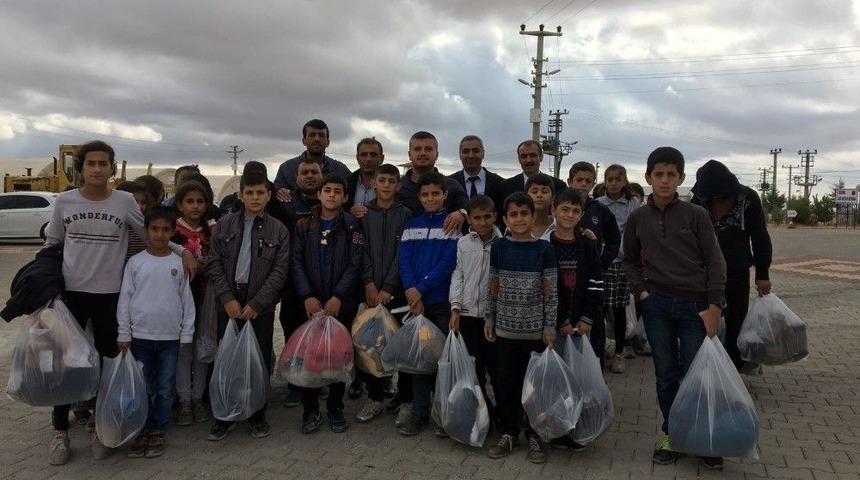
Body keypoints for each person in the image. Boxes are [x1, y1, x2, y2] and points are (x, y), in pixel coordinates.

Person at [43, 141, 196, 465]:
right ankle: (60, 431)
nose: (97, 169)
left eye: (103, 163)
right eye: (91, 163)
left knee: (107, 366)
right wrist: (44, 284)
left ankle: (102, 427)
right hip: (71, 296)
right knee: (67, 364)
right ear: (80, 168)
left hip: (109, 296)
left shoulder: (124, 201)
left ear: (112, 168)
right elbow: (52, 242)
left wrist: (183, 252)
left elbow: (151, 234)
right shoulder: (65, 202)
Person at [622, 147, 727, 469]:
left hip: (695, 307)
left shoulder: (696, 215)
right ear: (648, 177)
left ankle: (703, 438)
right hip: (657, 306)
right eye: (659, 174)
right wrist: (642, 292)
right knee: (665, 376)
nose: (665, 180)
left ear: (681, 178)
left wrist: (714, 304)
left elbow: (715, 260)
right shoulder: (638, 217)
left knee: (697, 375)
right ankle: (673, 434)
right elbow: (629, 260)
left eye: (671, 175)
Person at [206, 170, 290, 442]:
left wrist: (257, 303)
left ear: (268, 195)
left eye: (260, 192)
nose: (255, 197)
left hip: (259, 306)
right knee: (226, 357)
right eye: (249, 192)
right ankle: (224, 415)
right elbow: (214, 263)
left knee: (258, 360)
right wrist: (226, 298)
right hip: (229, 301)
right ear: (240, 195)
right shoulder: (224, 225)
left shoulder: (279, 230)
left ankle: (256, 413)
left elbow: (279, 271)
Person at [484, 192, 557, 464]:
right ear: (505, 219)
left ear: (532, 216)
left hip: (535, 332)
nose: (519, 219)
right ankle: (509, 432)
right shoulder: (499, 248)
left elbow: (550, 292)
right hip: (504, 331)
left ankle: (534, 435)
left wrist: (550, 325)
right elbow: (493, 285)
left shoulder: (544, 249)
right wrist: (489, 318)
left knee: (533, 388)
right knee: (505, 384)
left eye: (524, 213)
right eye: (513, 214)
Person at [117, 206, 196, 459]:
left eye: (165, 229)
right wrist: (124, 333)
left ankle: (158, 430)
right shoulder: (135, 262)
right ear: (146, 230)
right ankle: (141, 428)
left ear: (173, 232)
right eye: (154, 229)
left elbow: (187, 301)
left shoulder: (178, 263)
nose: (160, 234)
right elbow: (125, 299)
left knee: (164, 387)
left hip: (170, 338)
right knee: (143, 386)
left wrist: (186, 334)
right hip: (140, 337)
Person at [291, 174, 364, 434]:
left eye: (337, 191)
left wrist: (339, 296)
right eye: (327, 190)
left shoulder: (352, 226)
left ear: (345, 197)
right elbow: (296, 262)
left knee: (337, 355)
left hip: (340, 303)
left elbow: (356, 263)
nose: (332, 194)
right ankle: (310, 409)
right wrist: (307, 296)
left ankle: (335, 407)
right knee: (311, 356)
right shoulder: (304, 225)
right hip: (311, 303)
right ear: (319, 194)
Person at [690, 159, 772, 372]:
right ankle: (704, 369)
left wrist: (762, 274)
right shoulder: (699, 199)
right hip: (704, 273)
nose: (714, 199)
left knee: (736, 322)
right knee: (703, 321)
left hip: (736, 270)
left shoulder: (748, 199)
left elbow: (760, 237)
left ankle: (734, 371)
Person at [397, 172, 461, 436]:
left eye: (436, 194)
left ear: (445, 195)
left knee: (444, 361)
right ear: (419, 197)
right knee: (421, 361)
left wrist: (420, 289)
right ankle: (420, 411)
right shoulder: (412, 225)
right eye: (425, 195)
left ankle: (444, 412)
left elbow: (448, 264)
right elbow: (404, 259)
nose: (430, 198)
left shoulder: (452, 226)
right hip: (417, 305)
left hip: (440, 304)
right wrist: (411, 291)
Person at [547, 188, 605, 450]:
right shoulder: (546, 246)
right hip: (555, 326)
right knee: (557, 379)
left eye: (575, 211)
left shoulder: (588, 245)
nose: (569, 215)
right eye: (564, 209)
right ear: (554, 210)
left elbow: (596, 283)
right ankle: (557, 428)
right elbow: (547, 289)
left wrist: (588, 317)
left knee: (577, 378)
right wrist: (560, 320)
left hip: (581, 326)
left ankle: (576, 427)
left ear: (581, 214)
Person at [356, 163, 412, 423]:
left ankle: (406, 398)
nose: (386, 185)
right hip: (370, 293)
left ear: (398, 185)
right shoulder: (363, 214)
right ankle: (375, 397)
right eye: (382, 180)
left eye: (391, 181)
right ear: (374, 183)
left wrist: (389, 287)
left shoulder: (406, 214)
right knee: (371, 346)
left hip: (397, 293)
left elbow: (404, 254)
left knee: (403, 346)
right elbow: (360, 251)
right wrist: (368, 282)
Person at [448, 194, 501, 433]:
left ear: (495, 216)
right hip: (468, 314)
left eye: (487, 217)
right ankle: (481, 413)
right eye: (477, 218)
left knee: (497, 368)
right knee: (474, 368)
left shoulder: (503, 242)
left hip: (493, 318)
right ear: (469, 219)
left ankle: (503, 414)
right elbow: (458, 275)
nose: (482, 222)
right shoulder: (463, 243)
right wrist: (455, 307)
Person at [171, 180, 217, 426]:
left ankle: (198, 398)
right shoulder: (172, 231)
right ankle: (184, 400)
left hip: (206, 298)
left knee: (203, 348)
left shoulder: (213, 231)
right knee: (183, 350)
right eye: (190, 201)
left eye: (200, 201)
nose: (195, 206)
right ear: (180, 204)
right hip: (179, 299)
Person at [567, 161, 621, 366]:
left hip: (591, 278)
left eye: (588, 181)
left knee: (595, 323)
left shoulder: (599, 210)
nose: (583, 184)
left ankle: (595, 371)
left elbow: (614, 238)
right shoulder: (560, 205)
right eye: (579, 180)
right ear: (570, 181)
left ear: (593, 183)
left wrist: (602, 262)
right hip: (565, 276)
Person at [279, 158, 323, 409]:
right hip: (293, 283)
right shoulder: (284, 202)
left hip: (324, 282)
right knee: (293, 333)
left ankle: (320, 379)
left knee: (319, 336)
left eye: (314, 172)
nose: (309, 176)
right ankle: (295, 384)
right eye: (304, 172)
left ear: (321, 175)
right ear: (296, 177)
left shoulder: (331, 201)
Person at [597, 165, 642, 373]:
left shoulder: (633, 203)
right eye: (610, 179)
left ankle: (619, 352)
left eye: (618, 179)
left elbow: (633, 232)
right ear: (605, 181)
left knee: (619, 308)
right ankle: (599, 351)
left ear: (624, 181)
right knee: (599, 308)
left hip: (622, 261)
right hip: (602, 261)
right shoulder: (598, 203)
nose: (614, 183)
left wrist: (622, 253)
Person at [396, 131, 467, 235]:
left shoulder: (452, 186)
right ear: (410, 155)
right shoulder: (397, 187)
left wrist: (462, 213)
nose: (423, 153)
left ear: (437, 155)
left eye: (428, 149)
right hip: (405, 244)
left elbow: (469, 210)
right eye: (417, 149)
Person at [273, 119, 351, 199]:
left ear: (328, 142)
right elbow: (274, 197)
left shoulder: (340, 170)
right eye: (312, 135)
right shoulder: (287, 169)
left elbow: (351, 197)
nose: (317, 139)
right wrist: (279, 192)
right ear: (304, 141)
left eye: (321, 135)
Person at [448, 135, 507, 215]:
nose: (471, 155)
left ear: (483, 154)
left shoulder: (500, 183)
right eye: (466, 151)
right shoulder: (449, 184)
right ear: (460, 155)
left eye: (475, 151)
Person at [502, 140, 566, 199]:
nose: (528, 160)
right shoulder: (506, 186)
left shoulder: (558, 186)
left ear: (541, 157)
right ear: (519, 159)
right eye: (524, 156)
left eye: (532, 155)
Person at [346, 137, 385, 216]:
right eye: (363, 155)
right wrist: (349, 214)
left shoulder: (392, 185)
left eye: (373, 155)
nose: (368, 159)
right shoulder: (347, 183)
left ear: (382, 158)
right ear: (357, 158)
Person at [115, 181, 149, 260]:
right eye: (134, 202)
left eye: (143, 202)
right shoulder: (110, 226)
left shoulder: (147, 226)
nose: (139, 206)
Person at [524, 174, 555, 239]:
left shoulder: (560, 227)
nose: (539, 195)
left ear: (552, 198)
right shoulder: (516, 226)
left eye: (544, 192)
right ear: (526, 197)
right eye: (534, 192)